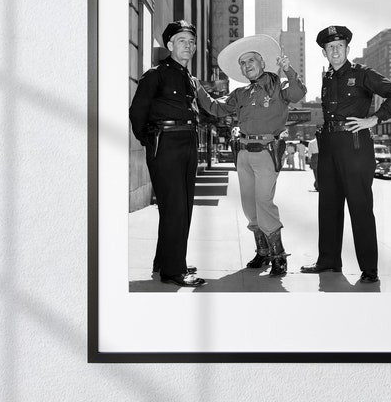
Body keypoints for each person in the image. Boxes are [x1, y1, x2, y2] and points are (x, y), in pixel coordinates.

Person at [197, 34, 307, 277]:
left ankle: (279, 256)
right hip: (243, 153)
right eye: (242, 64)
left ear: (262, 63)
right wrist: (198, 88)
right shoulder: (240, 94)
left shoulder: (280, 86)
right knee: (249, 206)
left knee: (263, 202)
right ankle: (263, 251)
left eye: (251, 61)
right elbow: (216, 107)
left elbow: (298, 94)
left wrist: (289, 71)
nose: (247, 66)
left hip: (267, 152)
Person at [300, 25, 391, 284]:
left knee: (360, 208)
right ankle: (329, 261)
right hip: (329, 147)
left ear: (347, 49)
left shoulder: (362, 74)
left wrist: (374, 119)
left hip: (355, 146)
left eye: (339, 46)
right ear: (324, 53)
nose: (334, 50)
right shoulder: (327, 78)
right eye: (329, 47)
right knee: (328, 206)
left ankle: (369, 269)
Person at [128, 20, 206, 288]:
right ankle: (174, 272)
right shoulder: (156, 74)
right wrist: (150, 141)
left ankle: (168, 260)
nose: (189, 46)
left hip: (188, 143)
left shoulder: (188, 78)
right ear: (170, 45)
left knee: (181, 207)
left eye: (192, 42)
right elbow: (137, 112)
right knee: (175, 208)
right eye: (182, 41)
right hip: (166, 145)